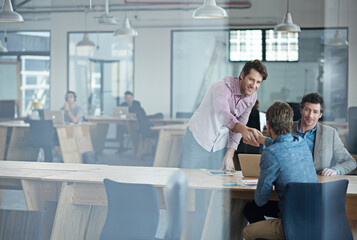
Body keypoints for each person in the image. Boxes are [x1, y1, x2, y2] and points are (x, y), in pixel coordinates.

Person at [242, 101, 318, 240]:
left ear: (268, 125)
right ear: (290, 123)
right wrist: (262, 140)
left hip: (293, 222)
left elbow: (261, 199)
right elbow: (283, 144)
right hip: (313, 215)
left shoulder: (270, 154)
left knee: (247, 231)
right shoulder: (300, 142)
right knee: (250, 209)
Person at [180, 60, 268, 170]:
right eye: (251, 79)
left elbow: (240, 125)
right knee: (187, 179)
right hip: (198, 140)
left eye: (258, 82)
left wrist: (230, 154)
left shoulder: (252, 97)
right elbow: (223, 114)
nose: (254, 86)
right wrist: (243, 129)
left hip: (218, 146)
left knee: (213, 184)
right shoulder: (222, 87)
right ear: (242, 75)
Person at [261, 92, 356, 176]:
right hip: (289, 181)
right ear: (301, 110)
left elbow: (350, 162)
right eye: (307, 110)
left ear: (320, 115)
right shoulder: (286, 128)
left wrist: (336, 170)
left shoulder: (330, 134)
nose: (310, 115)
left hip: (317, 182)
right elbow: (272, 150)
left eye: (315, 112)